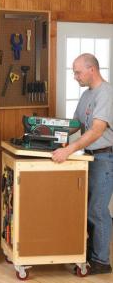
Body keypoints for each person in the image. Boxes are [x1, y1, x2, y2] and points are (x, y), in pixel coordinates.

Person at [52, 53, 113, 275]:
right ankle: (88, 253)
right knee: (85, 209)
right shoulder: (87, 95)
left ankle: (102, 261)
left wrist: (68, 149)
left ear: (91, 70)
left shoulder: (106, 93)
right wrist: (48, 136)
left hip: (105, 158)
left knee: (97, 210)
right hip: (89, 157)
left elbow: (97, 130)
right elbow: (75, 125)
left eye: (77, 72)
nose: (75, 76)